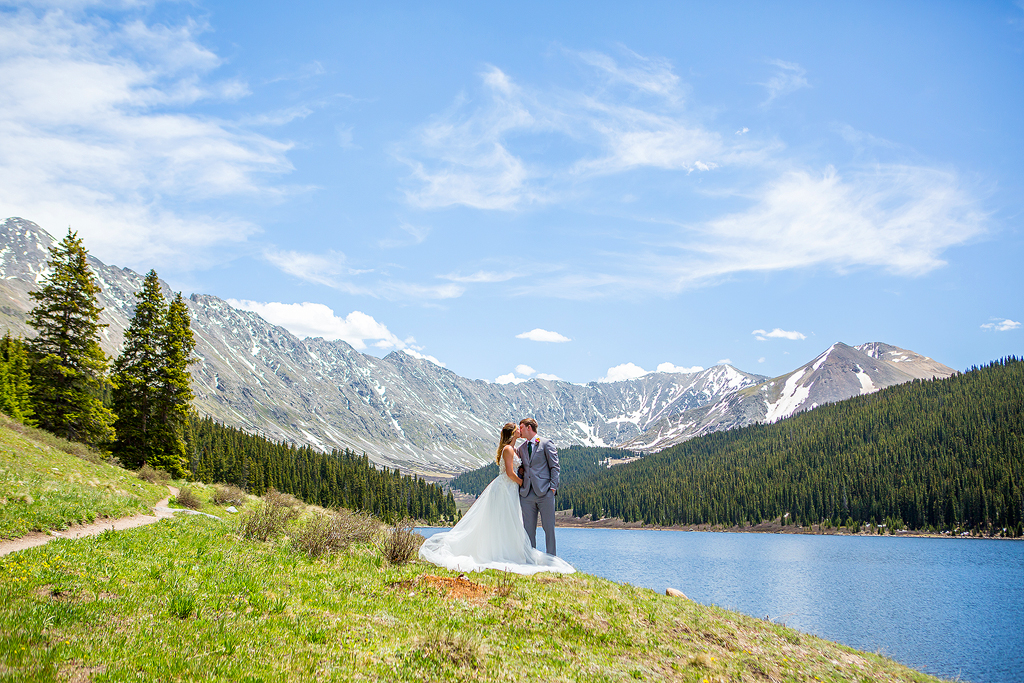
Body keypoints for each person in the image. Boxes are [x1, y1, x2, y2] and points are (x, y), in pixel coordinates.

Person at [418, 423, 575, 575]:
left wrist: (548, 486)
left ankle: (541, 558)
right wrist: (523, 483)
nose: (520, 430)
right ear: (513, 433)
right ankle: (503, 554)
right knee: (507, 522)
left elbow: (536, 467)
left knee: (515, 522)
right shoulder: (510, 449)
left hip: (518, 490)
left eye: (521, 427)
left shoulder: (519, 448)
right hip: (506, 489)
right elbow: (509, 473)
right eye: (517, 428)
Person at [516, 417, 560, 556]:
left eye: (521, 427)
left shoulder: (546, 443)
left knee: (549, 528)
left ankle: (552, 560)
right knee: (528, 530)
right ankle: (530, 560)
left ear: (529, 427)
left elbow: (555, 467)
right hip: (527, 494)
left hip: (545, 492)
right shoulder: (521, 448)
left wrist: (552, 489)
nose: (519, 430)